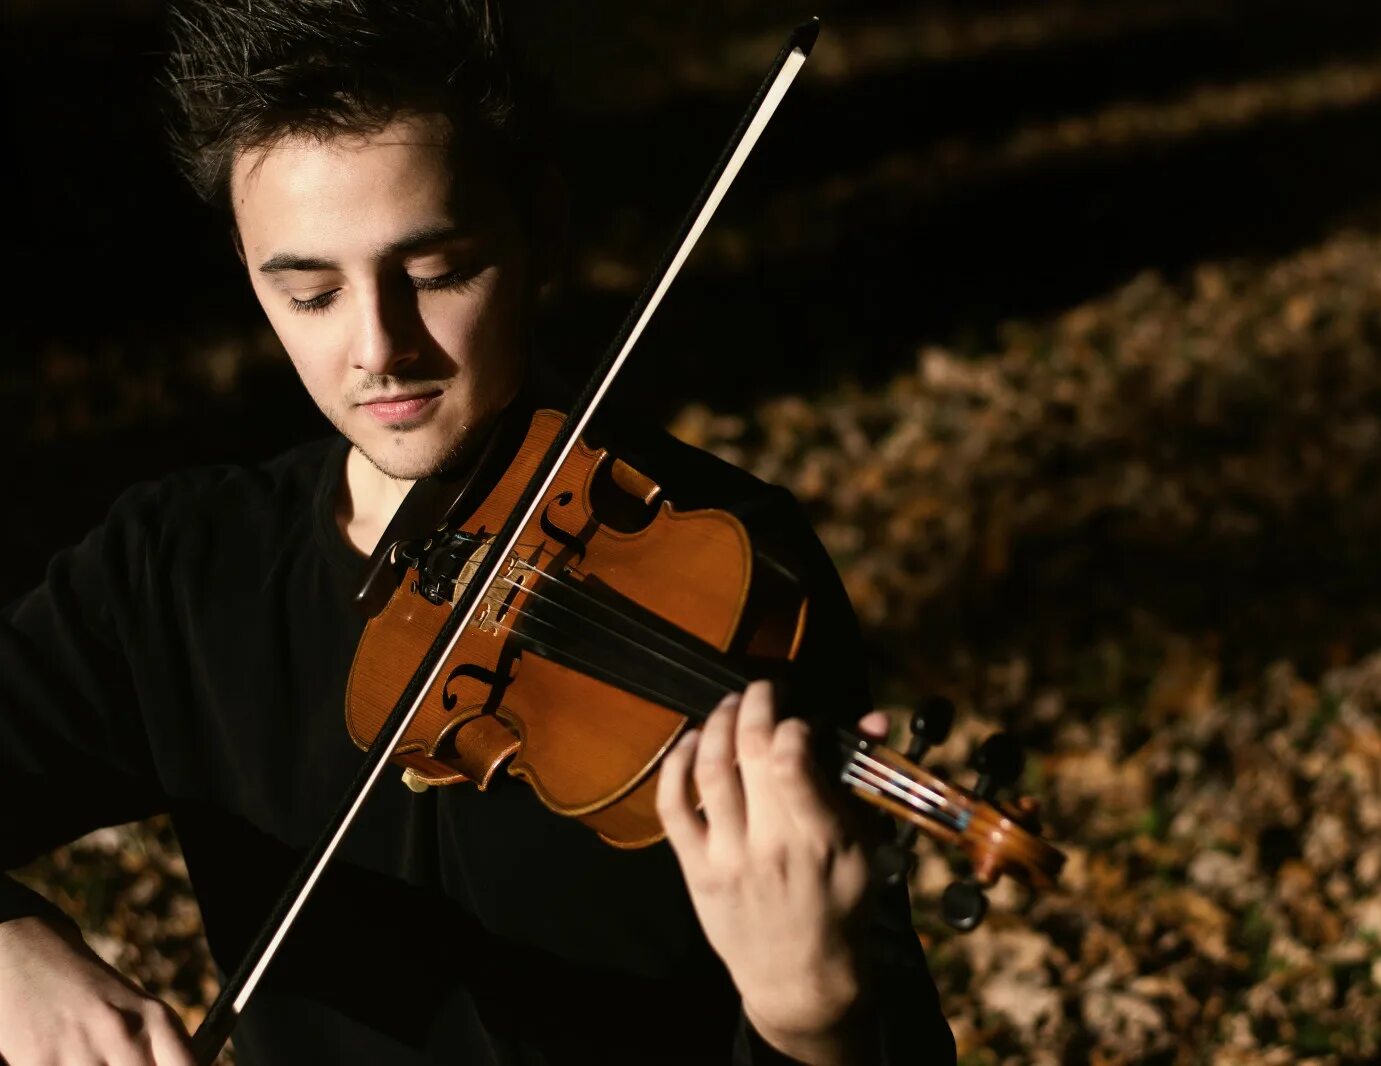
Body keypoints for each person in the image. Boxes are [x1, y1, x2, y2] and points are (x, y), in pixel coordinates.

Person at [0, 2, 955, 1063]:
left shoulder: (724, 564)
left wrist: (810, 1020)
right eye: (309, 292)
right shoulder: (173, 574)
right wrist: (8, 949)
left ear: (540, 229)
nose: (379, 348)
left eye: (437, 272)